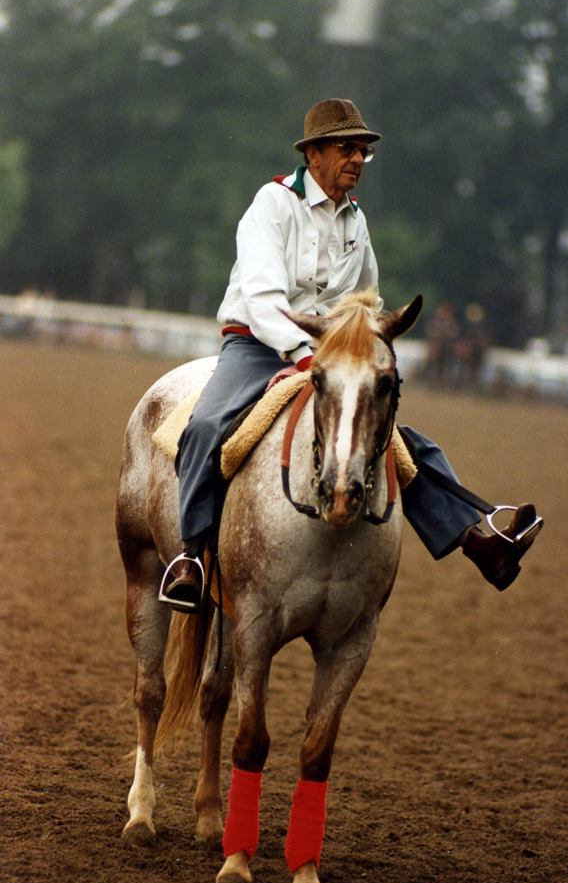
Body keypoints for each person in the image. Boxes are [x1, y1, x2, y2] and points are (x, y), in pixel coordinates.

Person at [162, 98, 540, 611]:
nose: (358, 159)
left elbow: (369, 301)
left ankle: (479, 542)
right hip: (257, 346)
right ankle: (191, 557)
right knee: (208, 424)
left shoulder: (356, 223)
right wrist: (300, 355)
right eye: (347, 148)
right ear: (313, 154)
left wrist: (372, 338)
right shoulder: (272, 204)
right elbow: (263, 298)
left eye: (363, 151)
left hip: (330, 358)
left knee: (401, 444)